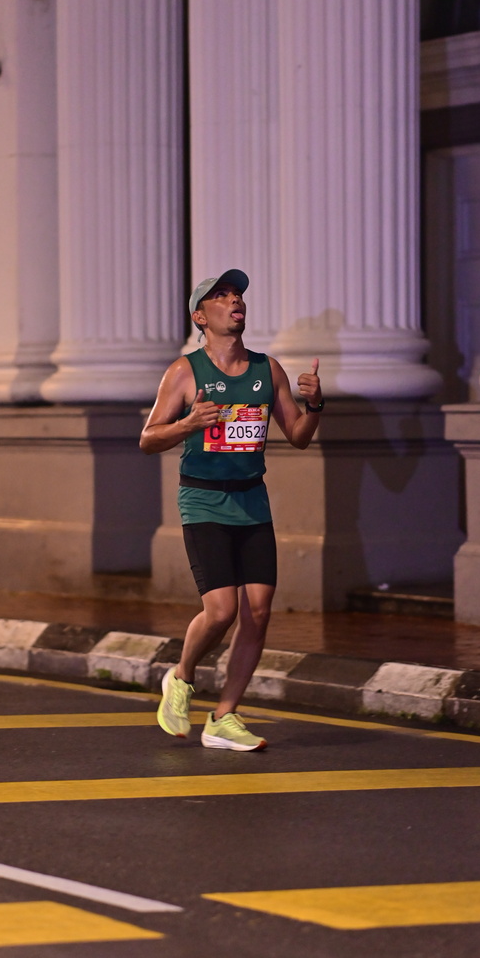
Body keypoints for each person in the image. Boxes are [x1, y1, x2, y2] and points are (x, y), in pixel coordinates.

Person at [139, 268, 323, 751]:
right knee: (221, 611)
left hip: (251, 499)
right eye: (220, 296)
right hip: (204, 499)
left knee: (258, 612)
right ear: (201, 317)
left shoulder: (268, 370)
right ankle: (181, 677)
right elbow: (148, 439)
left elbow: (298, 437)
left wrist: (315, 406)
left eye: (237, 294)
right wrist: (188, 424)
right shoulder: (185, 372)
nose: (234, 300)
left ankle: (224, 717)